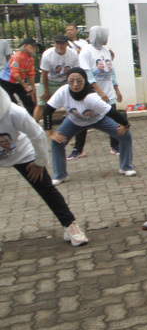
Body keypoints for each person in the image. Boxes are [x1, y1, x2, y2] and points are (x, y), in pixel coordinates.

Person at [0, 89, 89, 246]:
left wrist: (39, 163)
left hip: (22, 154)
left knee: (46, 188)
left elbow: (38, 135)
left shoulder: (14, 112)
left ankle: (71, 226)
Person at [43, 69, 136, 185]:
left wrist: (126, 125)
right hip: (74, 121)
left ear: (85, 81)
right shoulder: (62, 92)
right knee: (57, 141)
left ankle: (126, 167)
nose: (75, 84)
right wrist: (50, 133)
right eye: (71, 81)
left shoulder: (91, 97)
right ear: (67, 81)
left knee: (125, 135)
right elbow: (47, 110)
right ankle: (60, 175)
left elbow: (111, 112)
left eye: (79, 81)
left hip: (99, 119)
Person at [76, 26, 122, 158]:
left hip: (109, 93)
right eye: (105, 36)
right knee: (84, 119)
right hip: (93, 93)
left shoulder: (106, 51)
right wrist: (99, 91)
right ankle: (78, 149)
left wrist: (116, 89)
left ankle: (115, 146)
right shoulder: (86, 51)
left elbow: (111, 71)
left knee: (114, 119)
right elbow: (87, 73)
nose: (107, 39)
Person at [34, 35, 79, 123]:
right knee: (41, 103)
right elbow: (44, 74)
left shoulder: (73, 54)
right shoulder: (47, 55)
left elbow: (76, 71)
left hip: (65, 81)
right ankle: (34, 125)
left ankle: (74, 121)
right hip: (49, 80)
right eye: (57, 43)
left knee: (74, 100)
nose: (59, 46)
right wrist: (46, 90)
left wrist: (73, 85)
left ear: (66, 44)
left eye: (61, 44)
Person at [0, 38, 37, 116]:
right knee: (12, 105)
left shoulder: (30, 59)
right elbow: (15, 73)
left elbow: (30, 74)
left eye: (35, 46)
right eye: (32, 46)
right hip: (6, 82)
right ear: (25, 46)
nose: (34, 48)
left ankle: (32, 121)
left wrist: (33, 88)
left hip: (18, 82)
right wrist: (25, 86)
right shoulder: (18, 56)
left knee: (29, 103)